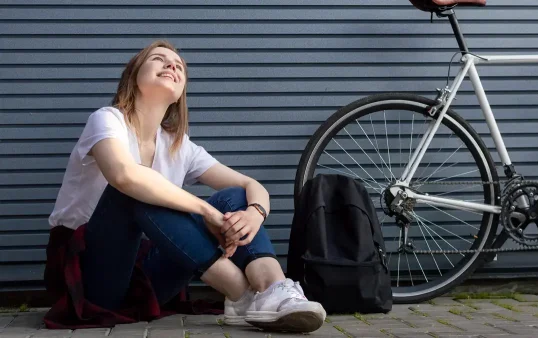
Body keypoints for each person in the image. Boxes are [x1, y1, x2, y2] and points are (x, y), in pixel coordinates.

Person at [43, 40, 326, 333]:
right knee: (136, 188)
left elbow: (250, 185)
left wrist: (254, 212)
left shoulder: (178, 146)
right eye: (158, 59)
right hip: (91, 275)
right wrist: (205, 211)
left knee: (234, 197)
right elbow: (124, 176)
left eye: (178, 65)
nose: (172, 65)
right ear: (134, 75)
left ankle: (273, 289)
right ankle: (242, 293)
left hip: (147, 278)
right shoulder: (107, 120)